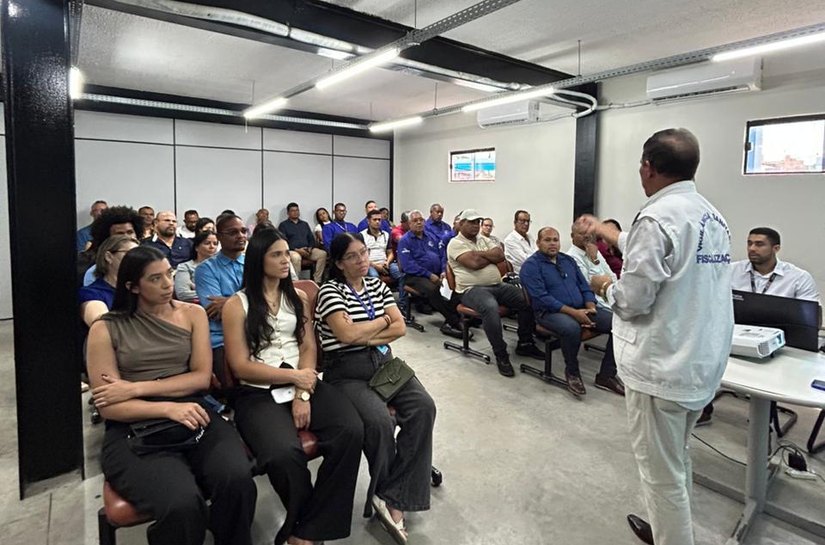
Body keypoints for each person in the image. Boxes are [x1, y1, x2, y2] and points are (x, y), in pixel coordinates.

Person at [583, 128, 733, 545]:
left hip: (661, 367)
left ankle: (671, 535)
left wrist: (602, 285)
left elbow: (632, 300)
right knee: (676, 457)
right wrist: (606, 231)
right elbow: (655, 247)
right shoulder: (709, 214)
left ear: (648, 167)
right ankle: (668, 525)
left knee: (659, 473)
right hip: (697, 361)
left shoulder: (656, 218)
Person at [86, 246, 256, 545]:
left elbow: (200, 378)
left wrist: (135, 387)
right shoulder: (106, 328)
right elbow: (111, 405)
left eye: (170, 274)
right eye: (155, 279)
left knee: (237, 480)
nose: (167, 284)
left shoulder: (191, 314)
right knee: (181, 504)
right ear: (132, 286)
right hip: (134, 424)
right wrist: (165, 408)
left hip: (193, 409)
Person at [222, 229, 363, 545]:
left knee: (351, 430)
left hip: (302, 380)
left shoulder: (297, 297)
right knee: (282, 454)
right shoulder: (238, 304)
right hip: (256, 390)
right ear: (259, 259)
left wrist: (302, 391)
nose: (286, 260)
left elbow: (308, 347)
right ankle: (307, 526)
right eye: (277, 254)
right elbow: (240, 365)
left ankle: (304, 530)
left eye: (287, 253)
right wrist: (294, 379)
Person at [316, 233, 436, 544]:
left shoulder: (377, 284)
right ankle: (389, 495)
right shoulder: (330, 291)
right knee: (380, 422)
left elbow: (400, 327)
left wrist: (365, 335)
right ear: (340, 263)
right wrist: (380, 322)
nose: (362, 260)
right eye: (353, 256)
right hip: (346, 371)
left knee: (424, 407)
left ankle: (392, 494)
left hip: (385, 363)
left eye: (364, 253)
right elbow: (344, 335)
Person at [698, 226, 820, 426]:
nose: (752, 248)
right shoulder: (731, 270)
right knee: (703, 357)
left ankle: (764, 425)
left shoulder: (798, 278)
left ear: (776, 248)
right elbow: (711, 302)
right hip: (734, 335)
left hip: (779, 345)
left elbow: (810, 320)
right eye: (749, 243)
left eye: (759, 244)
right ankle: (704, 410)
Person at [520, 227, 624, 396]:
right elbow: (541, 298)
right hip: (549, 313)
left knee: (617, 323)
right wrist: (574, 313)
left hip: (581, 308)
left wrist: (590, 306)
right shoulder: (531, 266)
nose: (552, 243)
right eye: (547, 240)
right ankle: (572, 372)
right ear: (538, 243)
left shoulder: (567, 261)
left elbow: (584, 286)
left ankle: (606, 375)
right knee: (571, 328)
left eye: (555, 239)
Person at [446, 209, 544, 377]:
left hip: (497, 285)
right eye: (471, 222)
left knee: (527, 298)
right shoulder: (455, 243)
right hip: (470, 290)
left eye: (478, 222)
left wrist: (480, 254)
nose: (476, 225)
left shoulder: (484, 239)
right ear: (461, 224)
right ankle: (501, 354)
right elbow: (474, 263)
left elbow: (500, 255)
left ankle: (525, 343)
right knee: (490, 307)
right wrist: (486, 256)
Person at [194, 214, 248, 385]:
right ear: (218, 238)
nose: (240, 236)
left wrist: (230, 302)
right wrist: (251, 300)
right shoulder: (206, 270)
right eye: (233, 232)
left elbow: (269, 301)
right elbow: (216, 311)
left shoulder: (253, 264)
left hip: (253, 331)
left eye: (243, 231)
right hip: (222, 337)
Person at [398, 210, 464, 339]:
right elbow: (408, 265)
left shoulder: (431, 236)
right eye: (415, 221)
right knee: (434, 290)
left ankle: (456, 318)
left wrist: (443, 271)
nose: (419, 223)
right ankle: (454, 321)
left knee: (457, 284)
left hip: (437, 273)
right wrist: (429, 275)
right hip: (414, 277)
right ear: (409, 224)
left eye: (421, 220)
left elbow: (442, 255)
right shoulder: (405, 240)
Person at [79, 235, 139, 330]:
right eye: (130, 254)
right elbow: (104, 328)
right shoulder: (92, 293)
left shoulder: (140, 290)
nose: (137, 260)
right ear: (109, 257)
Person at [79, 205, 143, 287]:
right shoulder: (90, 266)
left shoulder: (144, 258)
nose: (126, 237)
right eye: (119, 234)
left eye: (130, 232)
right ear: (107, 237)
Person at [567, 218, 617, 308]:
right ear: (572, 236)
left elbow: (613, 277)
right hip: (596, 304)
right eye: (582, 233)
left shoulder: (594, 250)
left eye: (588, 232)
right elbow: (590, 286)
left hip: (611, 299)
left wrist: (595, 258)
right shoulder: (571, 257)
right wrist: (594, 260)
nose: (587, 236)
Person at [278, 202, 327, 284]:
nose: (296, 212)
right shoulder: (283, 225)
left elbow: (311, 239)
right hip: (292, 250)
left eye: (297, 210)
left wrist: (310, 248)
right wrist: (297, 250)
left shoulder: (304, 224)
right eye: (293, 211)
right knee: (296, 258)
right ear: (288, 213)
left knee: (323, 254)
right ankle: (296, 282)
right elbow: (283, 242)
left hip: (307, 249)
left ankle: (317, 280)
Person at [174, 231, 219, 303]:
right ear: (197, 247)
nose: (212, 246)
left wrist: (198, 288)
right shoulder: (185, 267)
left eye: (215, 244)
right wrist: (218, 295)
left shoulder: (221, 266)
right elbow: (183, 294)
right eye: (207, 243)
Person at [503, 210, 537, 274]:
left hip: (536, 270)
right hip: (523, 275)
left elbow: (537, 252)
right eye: (523, 221)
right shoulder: (510, 240)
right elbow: (526, 260)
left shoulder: (529, 236)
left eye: (528, 221)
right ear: (515, 222)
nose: (526, 224)